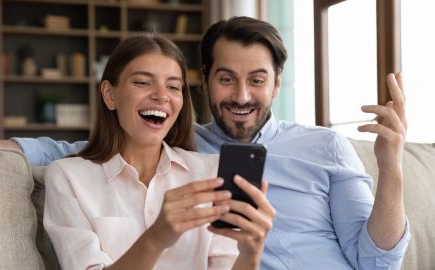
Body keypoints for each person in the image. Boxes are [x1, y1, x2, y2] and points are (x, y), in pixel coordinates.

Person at [0, 17, 410, 269]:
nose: (241, 96)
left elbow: (378, 263)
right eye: (226, 79)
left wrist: (391, 167)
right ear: (207, 84)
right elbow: (68, 152)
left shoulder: (324, 146)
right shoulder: (192, 148)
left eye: (257, 80)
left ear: (276, 86)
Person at [42, 34, 275, 270]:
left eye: (173, 87)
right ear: (110, 95)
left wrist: (251, 252)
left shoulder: (210, 173)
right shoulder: (67, 177)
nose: (161, 95)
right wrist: (157, 237)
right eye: (143, 82)